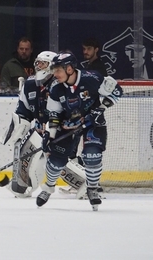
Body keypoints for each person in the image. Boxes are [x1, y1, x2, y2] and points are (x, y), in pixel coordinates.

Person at [37, 53, 123, 211]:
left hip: (94, 124)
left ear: (69, 69)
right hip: (68, 126)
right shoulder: (56, 88)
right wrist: (50, 135)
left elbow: (116, 90)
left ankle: (92, 189)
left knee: (92, 156)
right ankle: (48, 187)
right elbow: (54, 115)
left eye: (58, 70)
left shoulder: (92, 78)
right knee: (56, 162)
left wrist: (101, 109)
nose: (55, 75)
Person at [1, 51, 90, 199]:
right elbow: (23, 112)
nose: (39, 66)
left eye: (43, 63)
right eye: (38, 63)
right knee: (26, 147)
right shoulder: (29, 85)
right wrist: (16, 130)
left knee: (54, 156)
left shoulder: (62, 84)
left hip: (65, 129)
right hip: (42, 130)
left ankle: (87, 183)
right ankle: (21, 184)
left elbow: (72, 109)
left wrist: (55, 127)